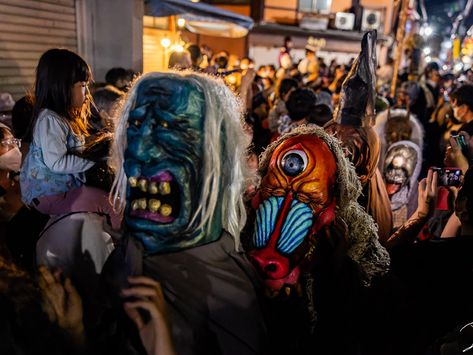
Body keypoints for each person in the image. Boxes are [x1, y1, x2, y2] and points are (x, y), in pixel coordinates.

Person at [19, 48, 121, 230]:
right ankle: (122, 247)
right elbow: (57, 162)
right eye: (82, 85)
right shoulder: (50, 120)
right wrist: (93, 163)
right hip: (51, 194)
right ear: (62, 86)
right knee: (112, 204)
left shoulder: (61, 118)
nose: (87, 93)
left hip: (57, 190)